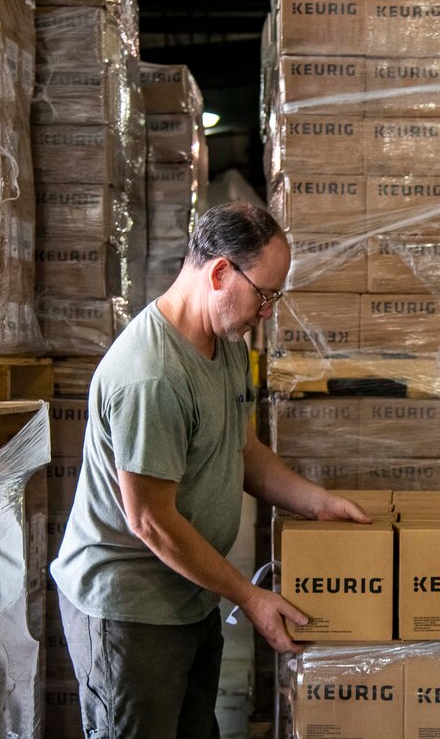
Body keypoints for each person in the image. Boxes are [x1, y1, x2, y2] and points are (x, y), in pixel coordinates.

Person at [51, 202, 370, 739]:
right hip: (132, 612)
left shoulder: (227, 346)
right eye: (265, 294)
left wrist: (316, 502)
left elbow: (242, 450)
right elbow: (150, 521)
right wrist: (248, 596)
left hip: (190, 594)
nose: (267, 311)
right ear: (221, 273)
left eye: (276, 297)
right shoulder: (150, 377)